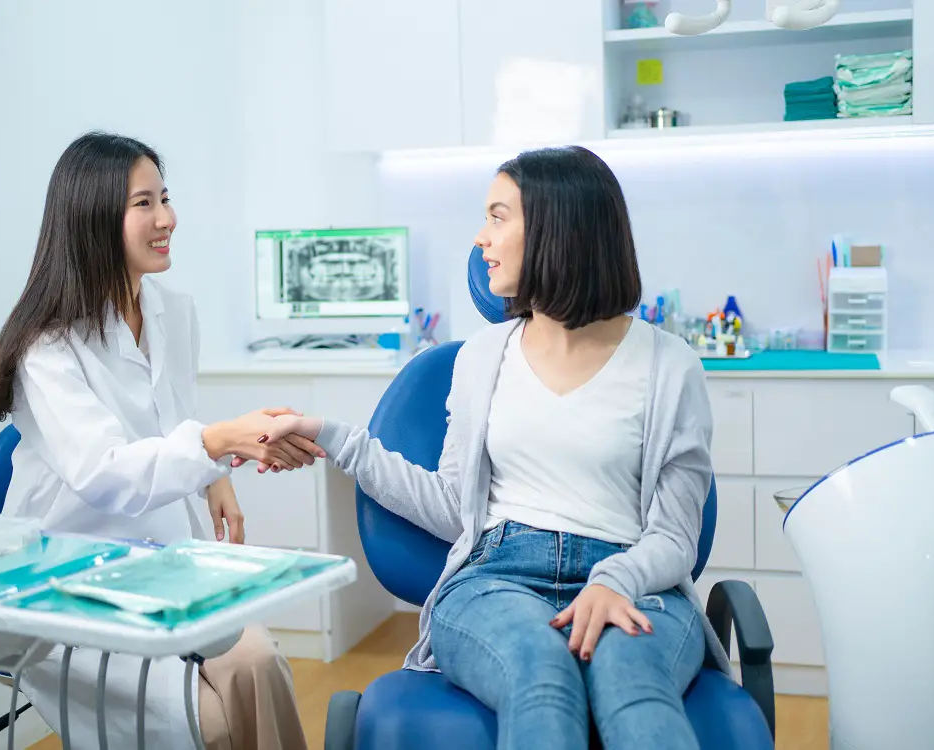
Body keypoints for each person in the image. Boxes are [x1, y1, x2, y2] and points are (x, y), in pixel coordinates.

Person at [254, 146, 731, 749]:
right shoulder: (484, 358)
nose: (481, 238)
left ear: (559, 231)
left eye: (498, 216)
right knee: (541, 673)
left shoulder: (670, 366)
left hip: (634, 579)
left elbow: (675, 537)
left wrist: (615, 581)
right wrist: (334, 437)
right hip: (498, 576)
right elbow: (455, 505)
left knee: (630, 679)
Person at [0, 131, 320, 750]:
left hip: (164, 564)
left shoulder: (172, 310)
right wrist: (216, 444)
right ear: (94, 218)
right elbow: (106, 471)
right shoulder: (48, 346)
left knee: (260, 666)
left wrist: (218, 473)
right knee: (210, 725)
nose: (167, 218)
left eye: (166, 198)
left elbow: (174, 415)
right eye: (144, 203)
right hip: (68, 585)